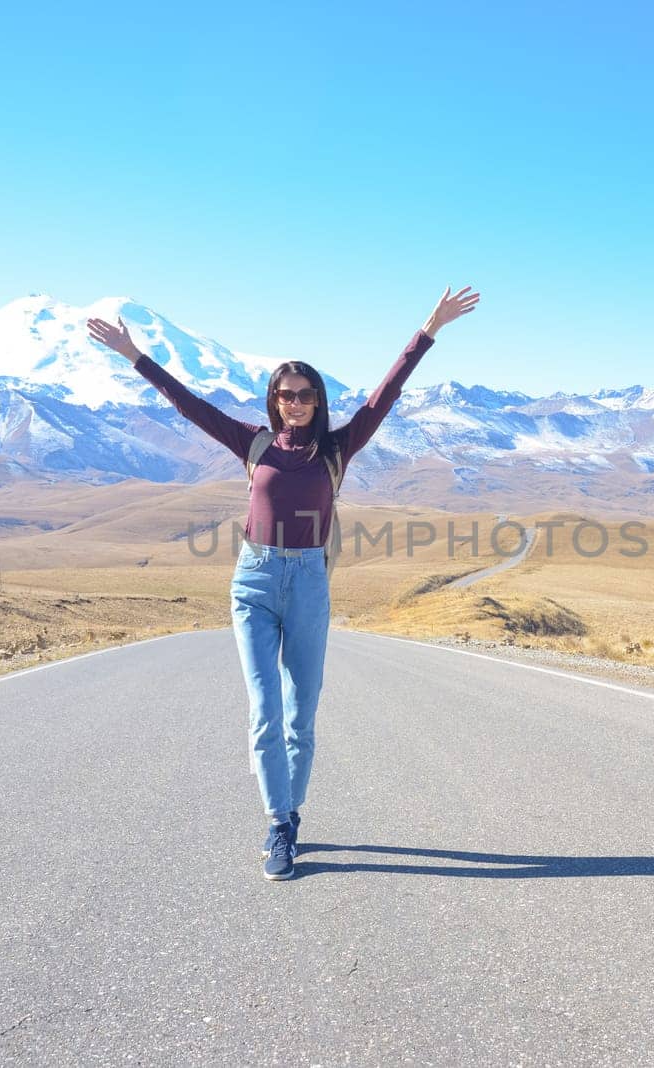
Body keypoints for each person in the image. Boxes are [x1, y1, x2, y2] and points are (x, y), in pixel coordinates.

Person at [86, 286, 481, 881]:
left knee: (301, 714)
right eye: (285, 395)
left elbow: (386, 395)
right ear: (273, 400)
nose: (294, 403)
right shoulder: (254, 443)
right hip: (255, 580)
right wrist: (134, 355)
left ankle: (292, 815)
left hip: (309, 585)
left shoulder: (337, 448)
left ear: (318, 402)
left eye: (305, 396)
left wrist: (429, 328)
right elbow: (188, 405)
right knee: (264, 711)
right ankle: (277, 824)